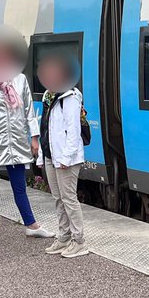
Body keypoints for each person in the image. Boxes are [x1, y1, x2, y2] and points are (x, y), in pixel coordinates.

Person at [0, 29, 55, 247]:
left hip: (16, 141)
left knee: (19, 186)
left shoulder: (20, 79)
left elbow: (28, 111)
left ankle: (31, 225)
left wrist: (34, 138)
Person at [37, 52, 88, 258]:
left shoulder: (70, 97)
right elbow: (45, 128)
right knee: (58, 198)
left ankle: (79, 241)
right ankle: (64, 236)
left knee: (69, 199)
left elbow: (73, 131)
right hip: (51, 155)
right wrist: (42, 156)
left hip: (66, 158)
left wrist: (66, 158)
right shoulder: (48, 96)